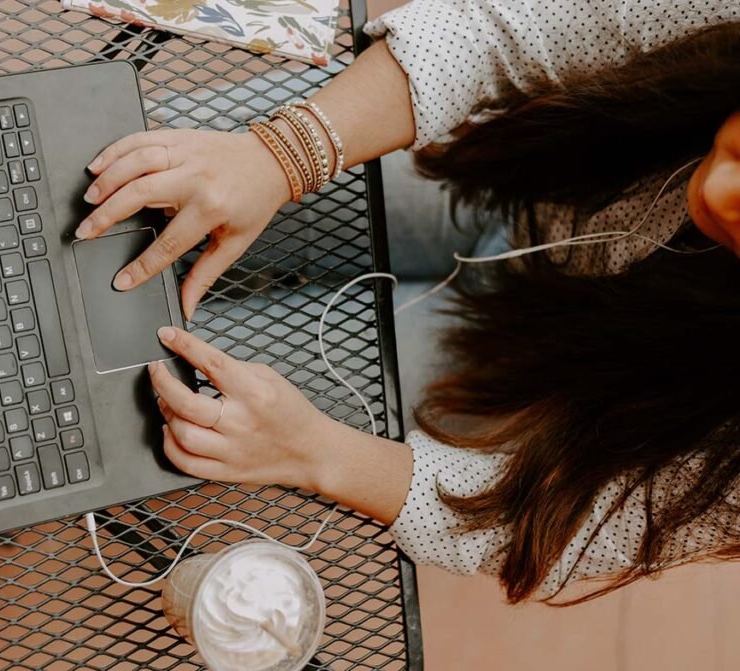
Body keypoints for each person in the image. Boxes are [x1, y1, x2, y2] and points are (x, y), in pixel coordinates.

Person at [77, 0, 740, 603]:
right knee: (110, 186)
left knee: (108, 390)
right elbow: (500, 30)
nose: (725, 196)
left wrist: (315, 451)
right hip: (516, 161)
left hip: (532, 359)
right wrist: (280, 156)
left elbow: (574, 526)